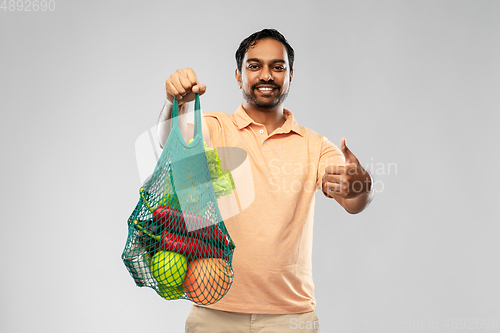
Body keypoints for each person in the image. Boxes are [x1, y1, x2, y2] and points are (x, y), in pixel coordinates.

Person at [157, 28, 374, 333]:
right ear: (238, 75)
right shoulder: (215, 127)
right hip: (213, 312)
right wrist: (175, 103)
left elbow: (353, 201)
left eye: (278, 66)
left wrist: (361, 186)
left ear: (290, 75)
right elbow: (170, 145)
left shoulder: (315, 146)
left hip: (290, 318)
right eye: (254, 65)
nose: (266, 75)